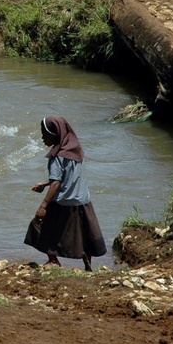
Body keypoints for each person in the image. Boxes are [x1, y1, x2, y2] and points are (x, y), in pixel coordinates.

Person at [24, 115, 106, 271]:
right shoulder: (76, 151)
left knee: (39, 225)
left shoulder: (56, 157)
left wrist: (43, 206)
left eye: (44, 133)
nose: (42, 138)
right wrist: (45, 182)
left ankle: (53, 260)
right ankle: (88, 267)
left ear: (55, 134)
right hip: (82, 201)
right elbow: (70, 175)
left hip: (62, 202)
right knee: (83, 235)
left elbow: (57, 182)